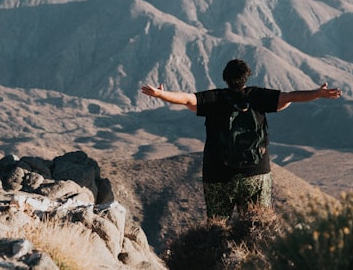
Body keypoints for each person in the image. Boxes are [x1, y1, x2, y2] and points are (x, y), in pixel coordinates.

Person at [140, 58, 342, 220]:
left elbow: (187, 99)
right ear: (246, 77)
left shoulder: (214, 98)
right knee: (258, 226)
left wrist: (161, 94)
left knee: (218, 228)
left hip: (218, 175)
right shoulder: (257, 96)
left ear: (225, 78)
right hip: (256, 173)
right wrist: (318, 93)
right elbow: (290, 97)